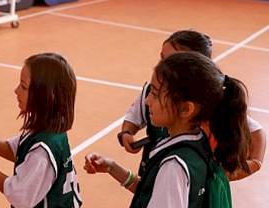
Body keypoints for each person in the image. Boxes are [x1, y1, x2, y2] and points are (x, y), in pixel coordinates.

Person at [85, 52, 251, 207]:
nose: (147, 100)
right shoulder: (200, 143)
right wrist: (111, 167)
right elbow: (151, 191)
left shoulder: (174, 166)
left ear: (186, 109)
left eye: (155, 94)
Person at [119, 30, 265, 180]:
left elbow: (256, 133)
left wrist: (253, 164)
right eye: (162, 58)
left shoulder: (213, 101)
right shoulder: (152, 92)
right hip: (155, 172)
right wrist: (127, 133)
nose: (163, 65)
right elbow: (134, 117)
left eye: (172, 60)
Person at [0, 53, 82, 208]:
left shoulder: (42, 152)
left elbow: (19, 197)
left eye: (23, 87)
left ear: (45, 96)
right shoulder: (49, 128)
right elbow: (13, 151)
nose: (16, 90)